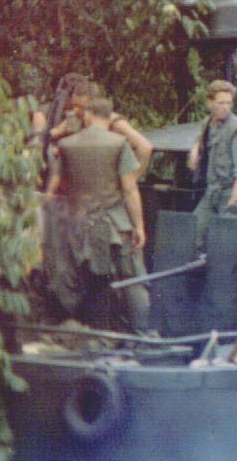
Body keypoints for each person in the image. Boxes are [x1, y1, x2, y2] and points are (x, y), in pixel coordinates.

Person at [45, 97, 152, 332]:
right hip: (115, 224)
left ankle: (92, 334)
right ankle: (143, 335)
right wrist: (139, 227)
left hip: (78, 225)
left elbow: (55, 188)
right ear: (109, 116)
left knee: (91, 281)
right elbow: (129, 189)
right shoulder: (119, 144)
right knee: (133, 278)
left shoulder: (67, 145)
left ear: (88, 115)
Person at [187, 80, 237, 252]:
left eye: (229, 103)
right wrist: (195, 150)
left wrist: (233, 201)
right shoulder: (207, 124)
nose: (225, 107)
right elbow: (202, 141)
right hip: (212, 192)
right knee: (192, 234)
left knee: (225, 247)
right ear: (210, 103)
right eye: (221, 103)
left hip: (231, 193)